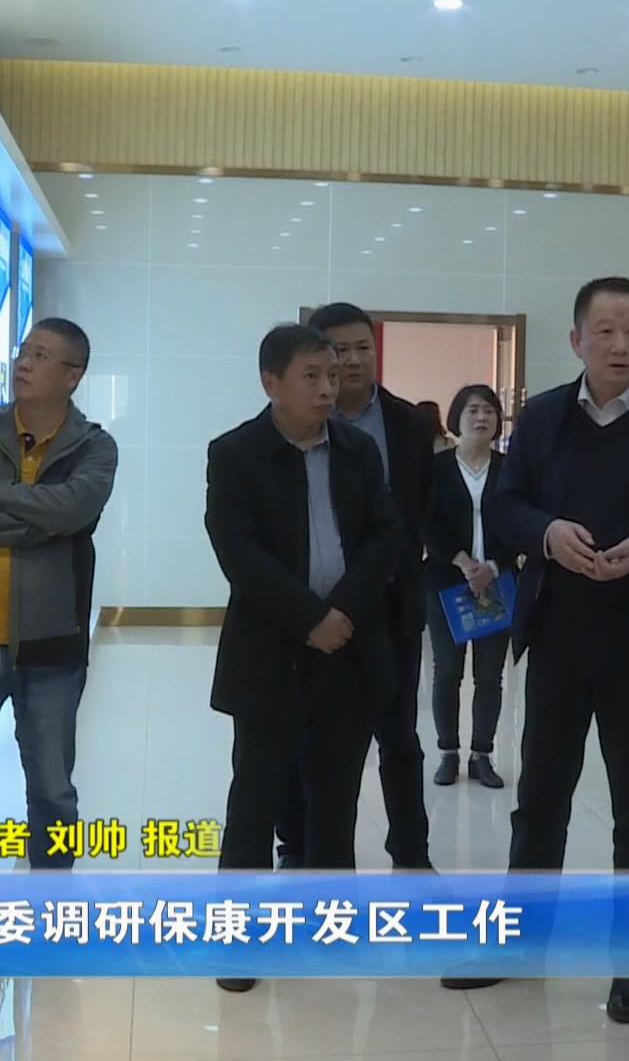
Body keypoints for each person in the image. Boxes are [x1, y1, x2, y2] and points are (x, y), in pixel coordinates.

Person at [446, 277, 629, 1025]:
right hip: (560, 637)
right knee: (540, 800)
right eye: (604, 330)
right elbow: (504, 504)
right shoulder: (542, 418)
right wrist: (546, 533)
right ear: (576, 340)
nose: (620, 344)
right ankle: (518, 945)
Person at [203, 324, 402, 991]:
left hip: (348, 648)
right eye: (311, 376)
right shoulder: (235, 453)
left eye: (333, 374)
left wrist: (340, 612)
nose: (328, 387)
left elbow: (385, 536)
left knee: (335, 801)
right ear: (271, 382)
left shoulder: (357, 449)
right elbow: (239, 553)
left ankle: (331, 926)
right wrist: (309, 618)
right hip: (270, 651)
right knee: (255, 799)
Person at [0, 317, 118, 871]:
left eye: (40, 356)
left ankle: (51, 900)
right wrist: (38, 524)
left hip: (51, 649)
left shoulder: (95, 448)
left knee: (51, 791)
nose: (24, 364)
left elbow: (73, 509)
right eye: (24, 352)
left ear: (73, 375)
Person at [271, 303, 436, 870]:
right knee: (302, 735)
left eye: (364, 347)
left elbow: (416, 514)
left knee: (400, 737)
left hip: (390, 607)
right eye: (340, 350)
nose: (354, 360)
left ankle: (411, 852)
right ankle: (297, 845)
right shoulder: (286, 426)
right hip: (311, 612)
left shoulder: (410, 423)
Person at [424, 384, 515, 788]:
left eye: (489, 411)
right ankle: (448, 752)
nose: (482, 418)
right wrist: (462, 562)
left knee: (490, 674)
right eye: (473, 410)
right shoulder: (436, 468)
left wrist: (493, 566)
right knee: (447, 671)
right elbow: (426, 521)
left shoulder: (511, 469)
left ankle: (482, 754)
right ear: (456, 418)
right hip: (446, 582)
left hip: (497, 584)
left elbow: (521, 522)